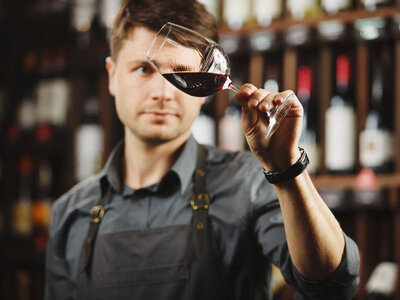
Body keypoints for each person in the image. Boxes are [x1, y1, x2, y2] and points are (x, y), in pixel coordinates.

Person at [45, 0, 360, 299]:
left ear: (204, 88)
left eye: (181, 72)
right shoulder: (70, 212)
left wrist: (287, 167)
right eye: (143, 69)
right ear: (112, 76)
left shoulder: (249, 183)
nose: (162, 92)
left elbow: (332, 286)